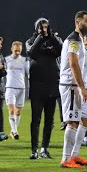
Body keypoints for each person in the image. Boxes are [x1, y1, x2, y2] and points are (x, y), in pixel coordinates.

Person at [59, 10, 87, 168]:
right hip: (72, 86)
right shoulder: (74, 40)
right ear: (77, 23)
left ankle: (75, 155)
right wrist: (82, 88)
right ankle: (66, 159)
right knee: (72, 122)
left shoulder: (80, 39)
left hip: (78, 87)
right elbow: (73, 64)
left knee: (86, 119)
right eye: (86, 21)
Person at [25, 18, 63, 159]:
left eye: (46, 27)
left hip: (52, 84)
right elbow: (32, 53)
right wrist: (41, 37)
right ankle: (34, 150)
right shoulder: (30, 41)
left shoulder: (54, 39)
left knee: (49, 120)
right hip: (37, 86)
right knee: (36, 119)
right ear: (36, 28)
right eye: (41, 27)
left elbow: (60, 51)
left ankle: (44, 149)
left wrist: (51, 37)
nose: (44, 29)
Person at [5, 41, 29, 140]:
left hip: (21, 88)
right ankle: (15, 132)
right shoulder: (6, 60)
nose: (17, 52)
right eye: (15, 50)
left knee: (18, 112)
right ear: (11, 49)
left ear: (21, 50)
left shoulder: (24, 60)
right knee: (11, 110)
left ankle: (12, 131)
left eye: (19, 51)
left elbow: (28, 73)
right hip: (10, 88)